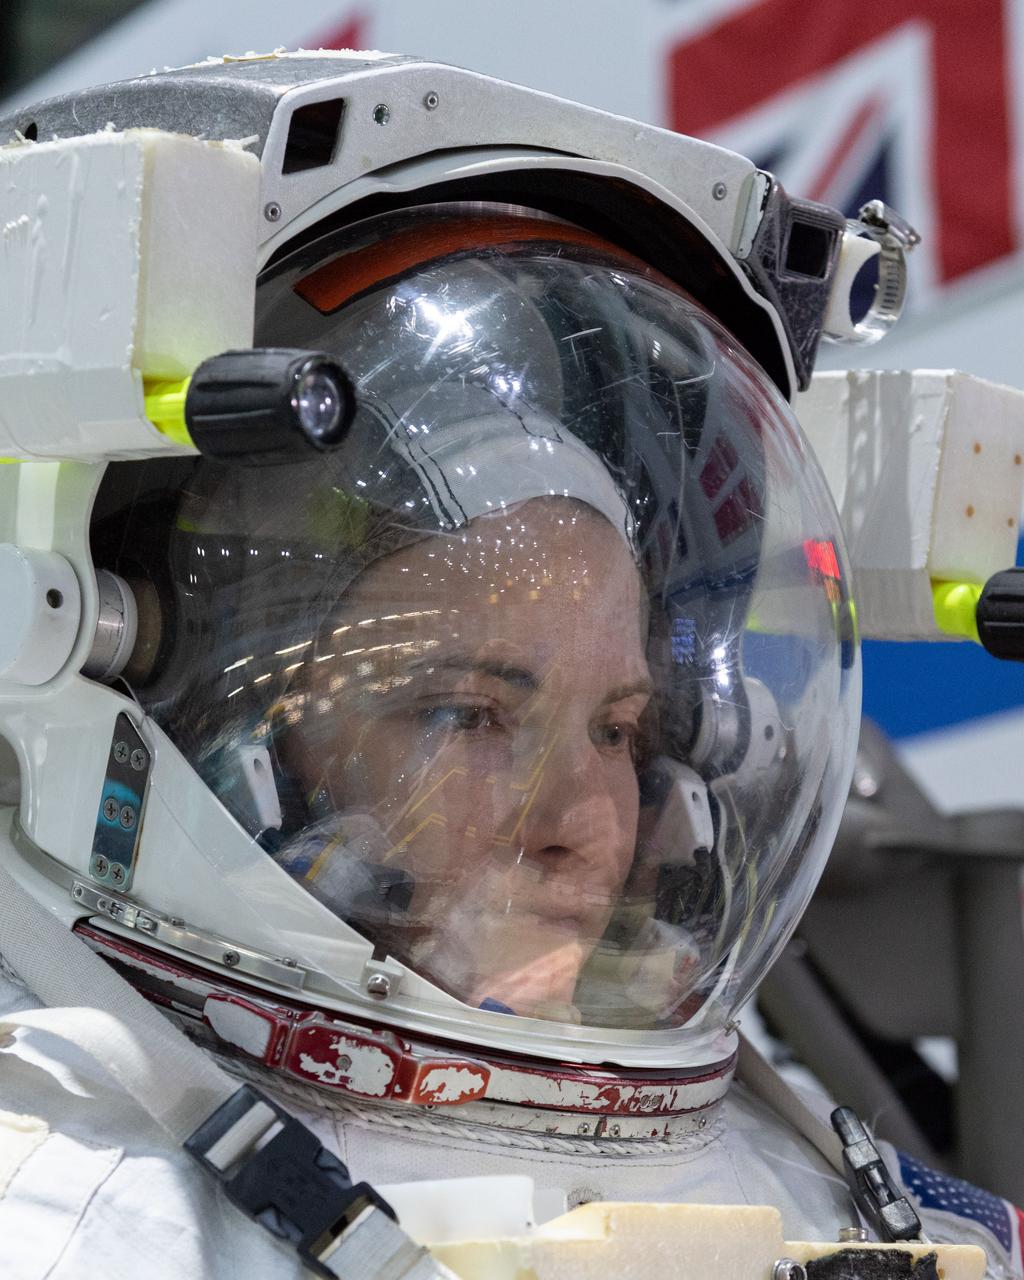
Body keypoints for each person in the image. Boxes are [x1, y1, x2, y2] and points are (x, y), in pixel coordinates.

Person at [1, 53, 1020, 1280]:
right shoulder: (76, 1221)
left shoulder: (895, 1216)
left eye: (618, 731)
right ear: (221, 755)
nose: (585, 827)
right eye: (468, 712)